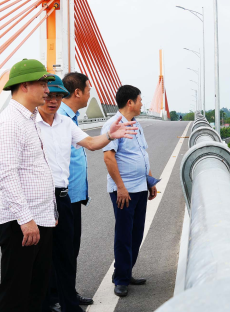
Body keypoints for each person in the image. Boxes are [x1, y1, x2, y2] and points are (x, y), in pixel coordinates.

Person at [37, 75, 137, 312]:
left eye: (58, 96)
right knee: (48, 257)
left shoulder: (65, 122)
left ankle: (66, 297)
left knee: (67, 253)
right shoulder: (32, 124)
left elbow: (91, 143)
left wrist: (112, 135)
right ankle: (51, 300)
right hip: (44, 198)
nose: (53, 100)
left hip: (67, 196)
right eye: (49, 96)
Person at [0, 59, 57, 312]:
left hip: (38, 219)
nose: (47, 90)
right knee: (15, 295)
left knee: (35, 293)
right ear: (25, 86)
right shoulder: (9, 122)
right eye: (42, 83)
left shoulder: (28, 119)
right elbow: (7, 176)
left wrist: (49, 214)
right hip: (21, 223)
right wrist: (26, 219)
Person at [101, 85, 158, 297]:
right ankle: (121, 279)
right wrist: (121, 188)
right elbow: (109, 157)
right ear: (130, 102)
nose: (143, 103)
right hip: (124, 191)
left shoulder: (135, 124)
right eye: (140, 100)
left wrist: (150, 181)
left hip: (140, 187)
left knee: (136, 234)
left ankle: (127, 271)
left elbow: (143, 154)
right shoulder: (113, 125)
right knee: (124, 235)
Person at [56, 72, 94, 306]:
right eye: (88, 90)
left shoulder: (72, 117)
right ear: (77, 92)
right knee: (63, 252)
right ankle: (59, 298)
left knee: (71, 249)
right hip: (64, 196)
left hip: (74, 195)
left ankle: (66, 294)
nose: (90, 95)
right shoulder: (59, 117)